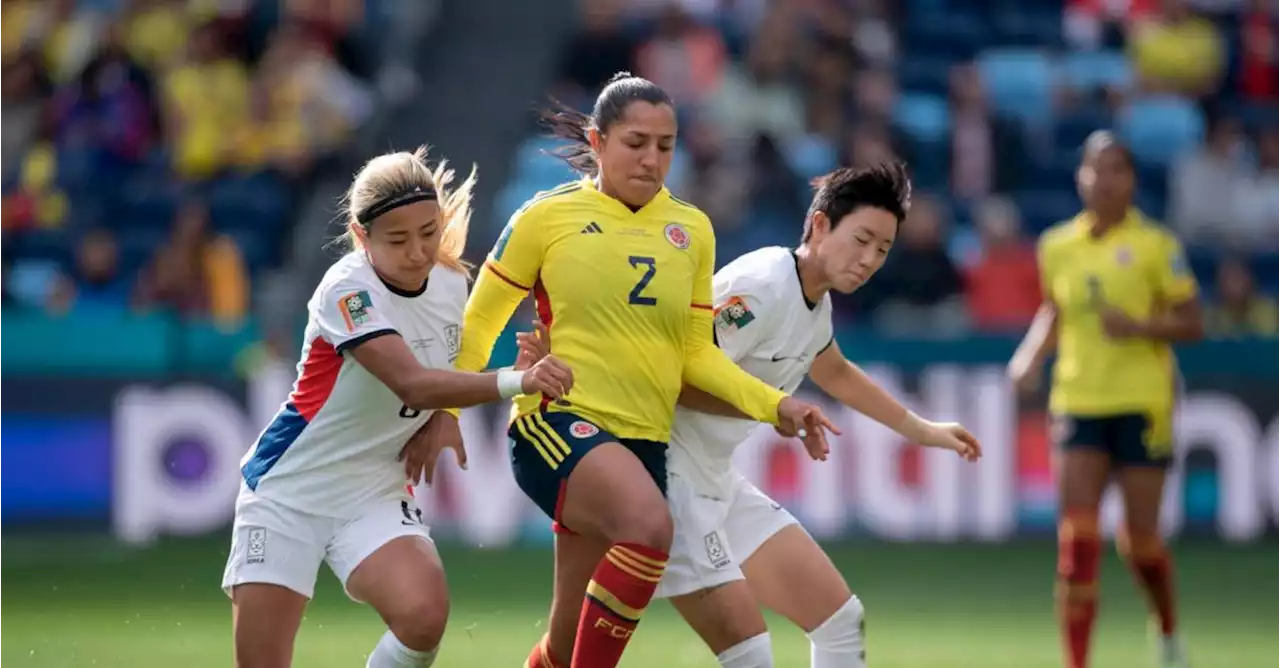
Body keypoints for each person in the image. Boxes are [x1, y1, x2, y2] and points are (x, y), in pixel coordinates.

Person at [517, 163, 983, 667]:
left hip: (716, 482)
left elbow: (838, 372)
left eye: (883, 249)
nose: (869, 260)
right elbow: (673, 379)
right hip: (665, 481)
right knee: (751, 655)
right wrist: (774, 409)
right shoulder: (761, 287)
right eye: (862, 239)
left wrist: (923, 429)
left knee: (840, 622)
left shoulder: (814, 304)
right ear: (821, 225)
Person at [452, 72, 838, 668]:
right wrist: (446, 410)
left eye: (666, 144)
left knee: (563, 643)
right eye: (636, 142)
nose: (652, 158)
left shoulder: (693, 230)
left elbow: (697, 354)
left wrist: (775, 405)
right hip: (557, 424)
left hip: (641, 442)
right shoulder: (545, 218)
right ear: (597, 140)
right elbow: (480, 324)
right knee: (650, 528)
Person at [221, 147, 574, 668]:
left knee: (424, 614)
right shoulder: (348, 291)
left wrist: (449, 417)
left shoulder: (454, 286)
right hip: (290, 489)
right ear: (362, 237)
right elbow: (412, 383)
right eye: (398, 239)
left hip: (374, 486)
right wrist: (519, 380)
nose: (417, 251)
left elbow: (453, 369)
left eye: (429, 233)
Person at [1008, 131, 1203, 668]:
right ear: (1080, 177)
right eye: (1095, 168)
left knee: (1140, 540)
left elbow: (1192, 322)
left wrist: (1139, 325)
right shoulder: (1057, 245)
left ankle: (1166, 633)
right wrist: (1029, 357)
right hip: (1078, 400)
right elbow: (1053, 311)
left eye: (1116, 169)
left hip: (1141, 403)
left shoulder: (1157, 246)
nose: (1104, 179)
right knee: (1077, 541)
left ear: (1132, 180)